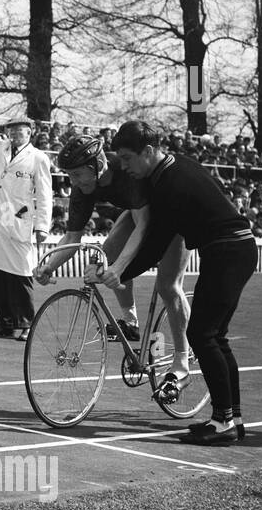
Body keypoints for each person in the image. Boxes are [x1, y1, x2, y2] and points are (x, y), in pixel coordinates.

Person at [111, 120, 257, 446]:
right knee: (214, 336)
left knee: (203, 334)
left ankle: (223, 422)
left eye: (126, 158)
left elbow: (156, 243)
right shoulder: (172, 169)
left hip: (228, 250)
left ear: (147, 152)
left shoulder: (169, 184)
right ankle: (232, 417)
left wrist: (120, 272)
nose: (123, 166)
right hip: (235, 247)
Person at [35, 133, 192, 390]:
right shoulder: (84, 187)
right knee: (102, 262)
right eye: (70, 176)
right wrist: (50, 265)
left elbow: (143, 228)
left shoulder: (126, 173)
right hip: (138, 213)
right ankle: (130, 323)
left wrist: (120, 268)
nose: (72, 181)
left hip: (172, 217)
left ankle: (182, 362)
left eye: (76, 175)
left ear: (97, 166)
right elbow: (72, 236)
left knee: (167, 286)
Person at [0, 83, 51, 341]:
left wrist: (42, 226)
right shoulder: (0, 148)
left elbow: (45, 193)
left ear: (30, 133)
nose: (15, 134)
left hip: (18, 219)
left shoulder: (38, 158)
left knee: (20, 272)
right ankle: (5, 322)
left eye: (20, 130)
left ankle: (25, 324)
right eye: (12, 130)